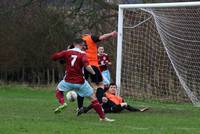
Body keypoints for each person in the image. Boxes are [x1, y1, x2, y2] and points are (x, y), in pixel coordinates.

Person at [51, 38, 114, 122]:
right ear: (80, 45)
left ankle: (63, 103)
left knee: (58, 90)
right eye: (83, 45)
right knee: (93, 99)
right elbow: (87, 66)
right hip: (80, 82)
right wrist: (94, 73)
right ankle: (103, 117)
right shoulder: (83, 54)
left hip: (67, 81)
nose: (84, 46)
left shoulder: (67, 52)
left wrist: (63, 55)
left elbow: (54, 57)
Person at [76, 31, 117, 115]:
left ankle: (80, 107)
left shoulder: (79, 42)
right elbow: (102, 37)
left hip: (83, 66)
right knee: (100, 85)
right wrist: (111, 34)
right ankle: (99, 105)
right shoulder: (90, 38)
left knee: (81, 86)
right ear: (89, 34)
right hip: (93, 65)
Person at [83, 83, 149, 114]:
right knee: (102, 99)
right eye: (111, 87)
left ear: (116, 89)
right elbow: (98, 100)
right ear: (108, 89)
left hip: (116, 108)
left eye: (114, 87)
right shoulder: (105, 94)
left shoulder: (119, 98)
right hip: (107, 108)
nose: (113, 89)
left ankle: (139, 110)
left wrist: (139, 110)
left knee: (124, 104)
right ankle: (85, 109)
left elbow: (127, 106)